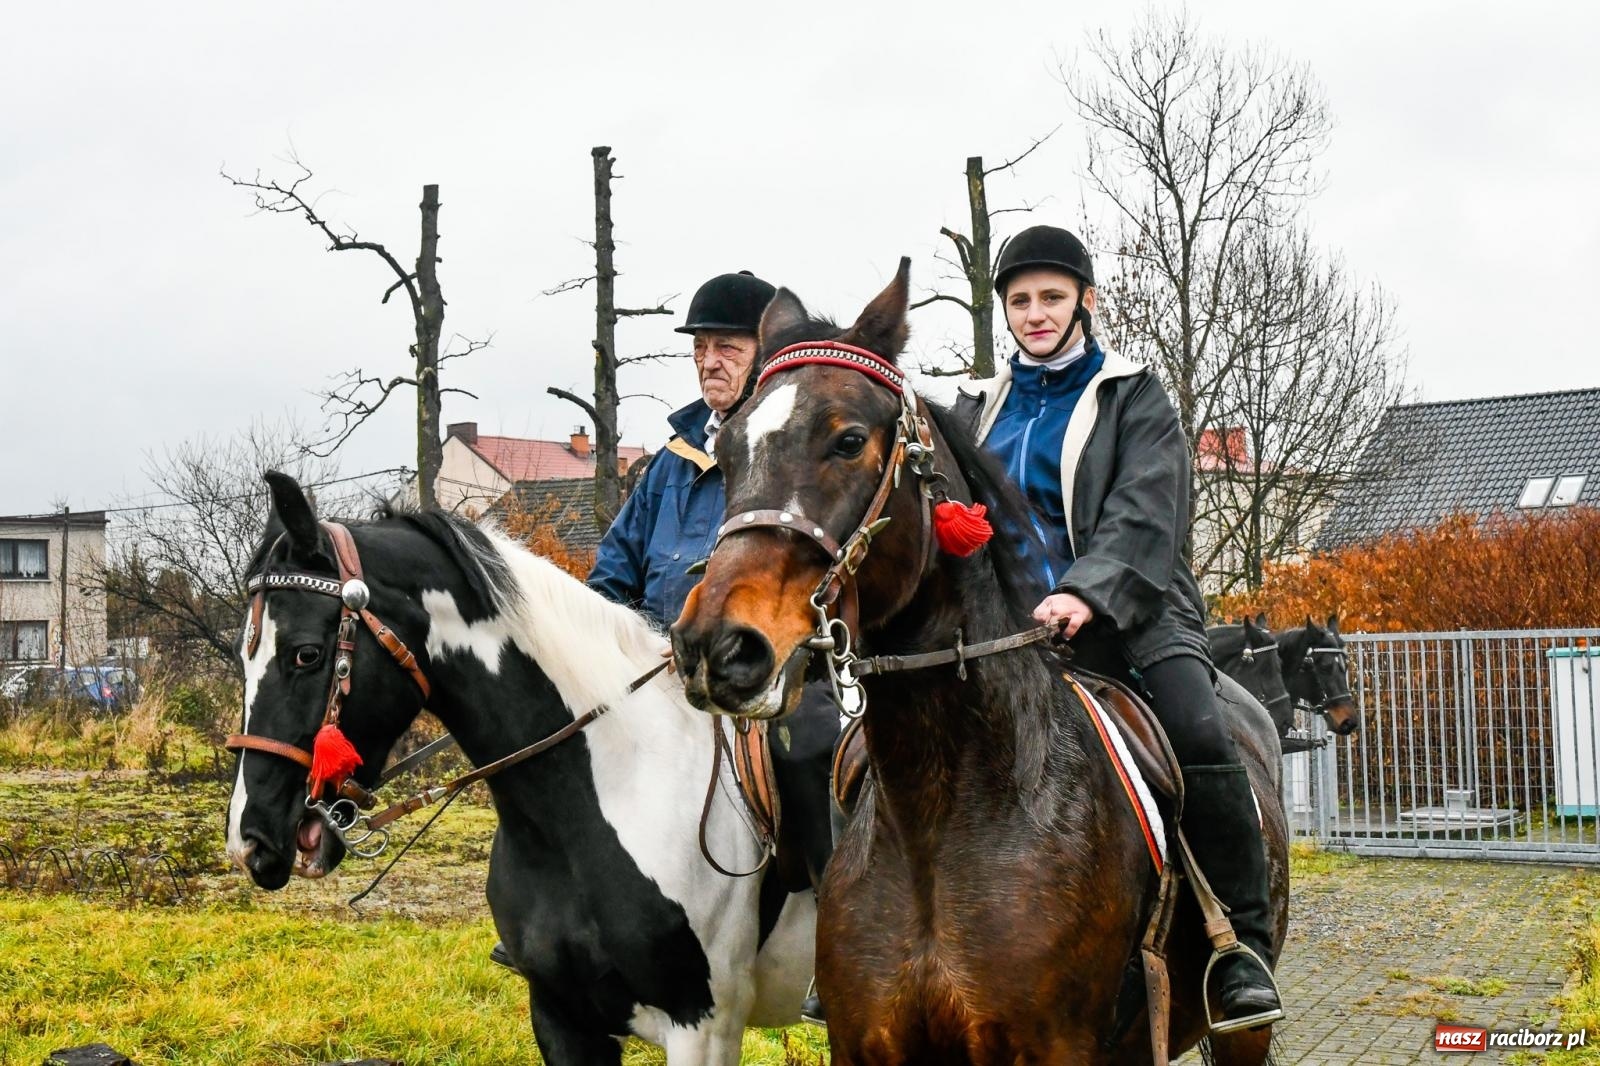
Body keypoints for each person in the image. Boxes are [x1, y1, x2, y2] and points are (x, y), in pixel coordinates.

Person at [953, 225, 1284, 1034]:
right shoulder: (975, 403)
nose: (1035, 314)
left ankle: (1240, 947)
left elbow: (1146, 514)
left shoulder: (1134, 393)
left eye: (1052, 298)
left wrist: (1083, 593)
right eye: (1021, 300)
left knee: (1200, 731)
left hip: (1130, 611)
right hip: (1006, 631)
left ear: (1085, 303)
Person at [499, 272, 841, 1024]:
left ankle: (836, 938)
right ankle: (546, 920)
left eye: (729, 346)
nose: (710, 360)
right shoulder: (670, 462)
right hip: (656, 672)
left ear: (767, 351)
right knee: (551, 745)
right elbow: (615, 572)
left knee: (809, 746)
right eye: (701, 347)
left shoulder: (783, 447)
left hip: (764, 672)